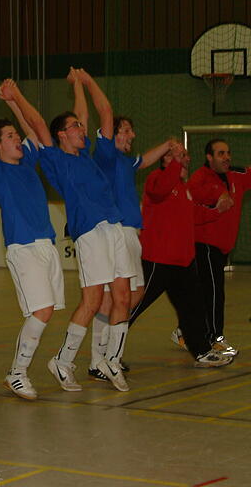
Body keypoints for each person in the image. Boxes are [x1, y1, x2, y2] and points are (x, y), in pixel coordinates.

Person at [11, 68, 135, 392]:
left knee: (123, 297)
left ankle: (112, 359)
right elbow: (38, 123)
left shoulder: (91, 155)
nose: (82, 128)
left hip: (115, 227)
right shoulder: (55, 159)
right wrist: (16, 97)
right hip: (90, 233)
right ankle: (62, 361)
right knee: (93, 301)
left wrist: (83, 82)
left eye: (81, 125)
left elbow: (103, 112)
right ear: (61, 135)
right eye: (75, 127)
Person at [0, 78, 65, 400]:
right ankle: (16, 373)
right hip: (23, 247)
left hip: (46, 244)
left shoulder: (28, 160)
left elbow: (38, 127)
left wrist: (14, 100)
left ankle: (18, 371)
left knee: (45, 311)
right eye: (10, 136)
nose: (17, 139)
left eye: (17, 135)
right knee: (41, 311)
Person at [127, 141, 233, 368]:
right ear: (166, 159)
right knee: (134, 305)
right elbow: (160, 190)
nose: (186, 159)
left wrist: (215, 212)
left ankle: (202, 351)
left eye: (185, 155)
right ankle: (108, 347)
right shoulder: (156, 179)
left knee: (193, 308)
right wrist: (174, 164)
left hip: (183, 263)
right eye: (180, 155)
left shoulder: (183, 187)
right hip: (158, 260)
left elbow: (193, 214)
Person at [89, 116, 171, 381]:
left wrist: (169, 144)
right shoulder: (106, 157)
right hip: (117, 232)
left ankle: (109, 356)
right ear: (113, 135)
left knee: (134, 296)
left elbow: (144, 160)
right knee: (112, 299)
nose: (132, 135)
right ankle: (99, 360)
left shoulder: (125, 161)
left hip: (131, 234)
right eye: (125, 131)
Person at [186, 139, 251, 355]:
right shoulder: (199, 179)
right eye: (221, 153)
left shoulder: (238, 176)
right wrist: (216, 195)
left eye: (228, 153)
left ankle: (186, 332)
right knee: (214, 293)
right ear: (209, 157)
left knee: (204, 293)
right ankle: (214, 339)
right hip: (204, 245)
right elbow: (193, 199)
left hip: (223, 247)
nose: (226, 157)